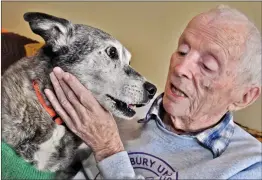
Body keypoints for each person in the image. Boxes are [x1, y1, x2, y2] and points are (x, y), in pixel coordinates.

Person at [44, 5, 262, 179]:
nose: (180, 68)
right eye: (182, 51)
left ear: (244, 97)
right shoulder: (120, 104)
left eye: (207, 66)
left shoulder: (249, 165)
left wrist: (109, 149)